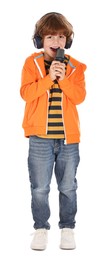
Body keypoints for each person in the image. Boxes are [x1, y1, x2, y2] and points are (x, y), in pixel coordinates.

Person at [20, 12, 87, 250]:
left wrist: (63, 78)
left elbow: (79, 97)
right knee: (40, 186)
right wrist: (49, 78)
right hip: (40, 139)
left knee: (68, 185)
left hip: (68, 139)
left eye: (61, 36)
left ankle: (67, 227)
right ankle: (40, 228)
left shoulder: (75, 67)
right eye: (50, 36)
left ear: (67, 41)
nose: (56, 42)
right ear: (40, 40)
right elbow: (26, 94)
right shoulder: (32, 64)